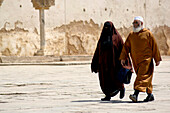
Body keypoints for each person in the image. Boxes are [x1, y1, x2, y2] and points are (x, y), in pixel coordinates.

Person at [119, 16, 162, 102]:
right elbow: (126, 47)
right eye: (134, 23)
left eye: (136, 23)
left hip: (146, 61)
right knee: (145, 78)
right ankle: (150, 95)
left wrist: (157, 59)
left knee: (141, 77)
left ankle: (135, 94)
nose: (135, 25)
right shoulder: (131, 35)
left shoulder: (148, 34)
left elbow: (154, 47)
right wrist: (123, 58)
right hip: (136, 61)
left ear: (141, 24)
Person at [91, 21, 132, 101]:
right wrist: (95, 63)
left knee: (115, 78)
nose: (106, 29)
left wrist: (124, 60)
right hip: (103, 63)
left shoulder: (117, 38)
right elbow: (97, 50)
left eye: (108, 27)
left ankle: (121, 88)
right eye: (105, 27)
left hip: (114, 63)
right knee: (104, 80)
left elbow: (122, 49)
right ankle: (107, 95)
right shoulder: (102, 38)